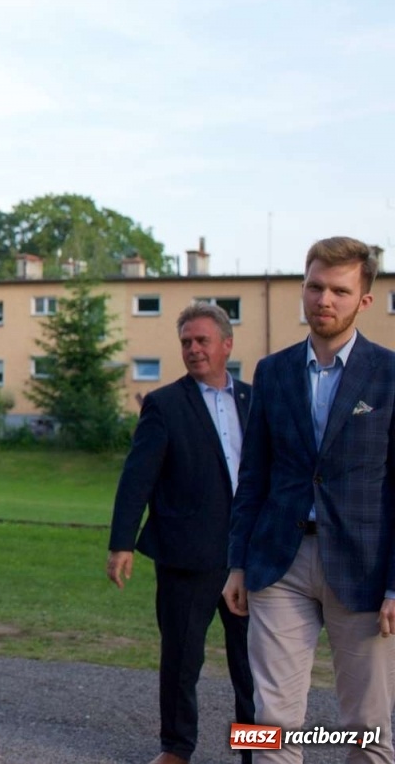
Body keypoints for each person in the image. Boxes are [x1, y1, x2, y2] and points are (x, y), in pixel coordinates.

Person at [224, 236, 395, 764]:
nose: (325, 300)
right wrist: (237, 564)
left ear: (363, 300)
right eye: (315, 286)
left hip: (365, 570)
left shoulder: (390, 375)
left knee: (367, 725)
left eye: (339, 291)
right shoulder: (272, 372)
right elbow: (253, 475)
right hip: (279, 561)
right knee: (271, 721)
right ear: (302, 288)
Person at [108, 302, 255, 764]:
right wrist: (121, 543)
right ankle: (176, 748)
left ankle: (256, 751)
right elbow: (138, 478)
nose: (193, 350)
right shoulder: (165, 405)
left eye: (202, 340)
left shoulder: (257, 399)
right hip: (187, 555)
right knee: (181, 662)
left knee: (254, 668)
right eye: (186, 342)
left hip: (249, 558)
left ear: (227, 345)